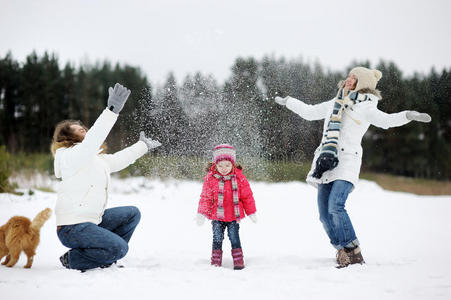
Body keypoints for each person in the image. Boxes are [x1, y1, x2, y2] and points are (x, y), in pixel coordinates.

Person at [274, 67, 431, 268]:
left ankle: (353, 250)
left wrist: (408, 115)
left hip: (347, 161)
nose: (349, 80)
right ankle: (341, 250)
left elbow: (386, 121)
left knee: (335, 206)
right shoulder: (335, 102)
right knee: (324, 215)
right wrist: (289, 101)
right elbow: (311, 112)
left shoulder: (366, 107)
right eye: (349, 76)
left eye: (354, 78)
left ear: (363, 84)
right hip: (326, 162)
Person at [51, 83, 161, 271]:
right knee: (120, 248)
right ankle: (76, 259)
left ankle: (106, 256)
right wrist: (111, 111)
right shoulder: (69, 157)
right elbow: (91, 143)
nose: (81, 128)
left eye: (81, 126)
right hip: (72, 227)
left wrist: (142, 146)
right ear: (67, 137)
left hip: (92, 221)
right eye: (76, 129)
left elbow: (117, 160)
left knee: (131, 213)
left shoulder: (94, 159)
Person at [196, 144, 257, 270]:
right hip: (217, 216)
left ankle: (238, 261)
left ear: (233, 164)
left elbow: (247, 196)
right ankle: (216, 261)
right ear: (215, 164)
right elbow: (205, 198)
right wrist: (201, 213)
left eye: (227, 165)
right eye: (220, 166)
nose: (224, 169)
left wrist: (251, 212)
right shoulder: (211, 178)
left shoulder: (239, 177)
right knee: (217, 238)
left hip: (233, 217)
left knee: (234, 237)